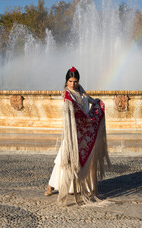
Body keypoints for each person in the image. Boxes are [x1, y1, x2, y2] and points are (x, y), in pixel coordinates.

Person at [44, 66, 111, 205]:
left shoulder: (81, 91)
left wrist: (98, 103)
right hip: (73, 131)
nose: (73, 84)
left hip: (84, 131)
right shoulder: (67, 95)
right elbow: (69, 113)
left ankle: (85, 187)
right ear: (66, 81)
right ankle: (51, 185)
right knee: (65, 159)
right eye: (70, 81)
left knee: (86, 159)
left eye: (75, 81)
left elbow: (92, 101)